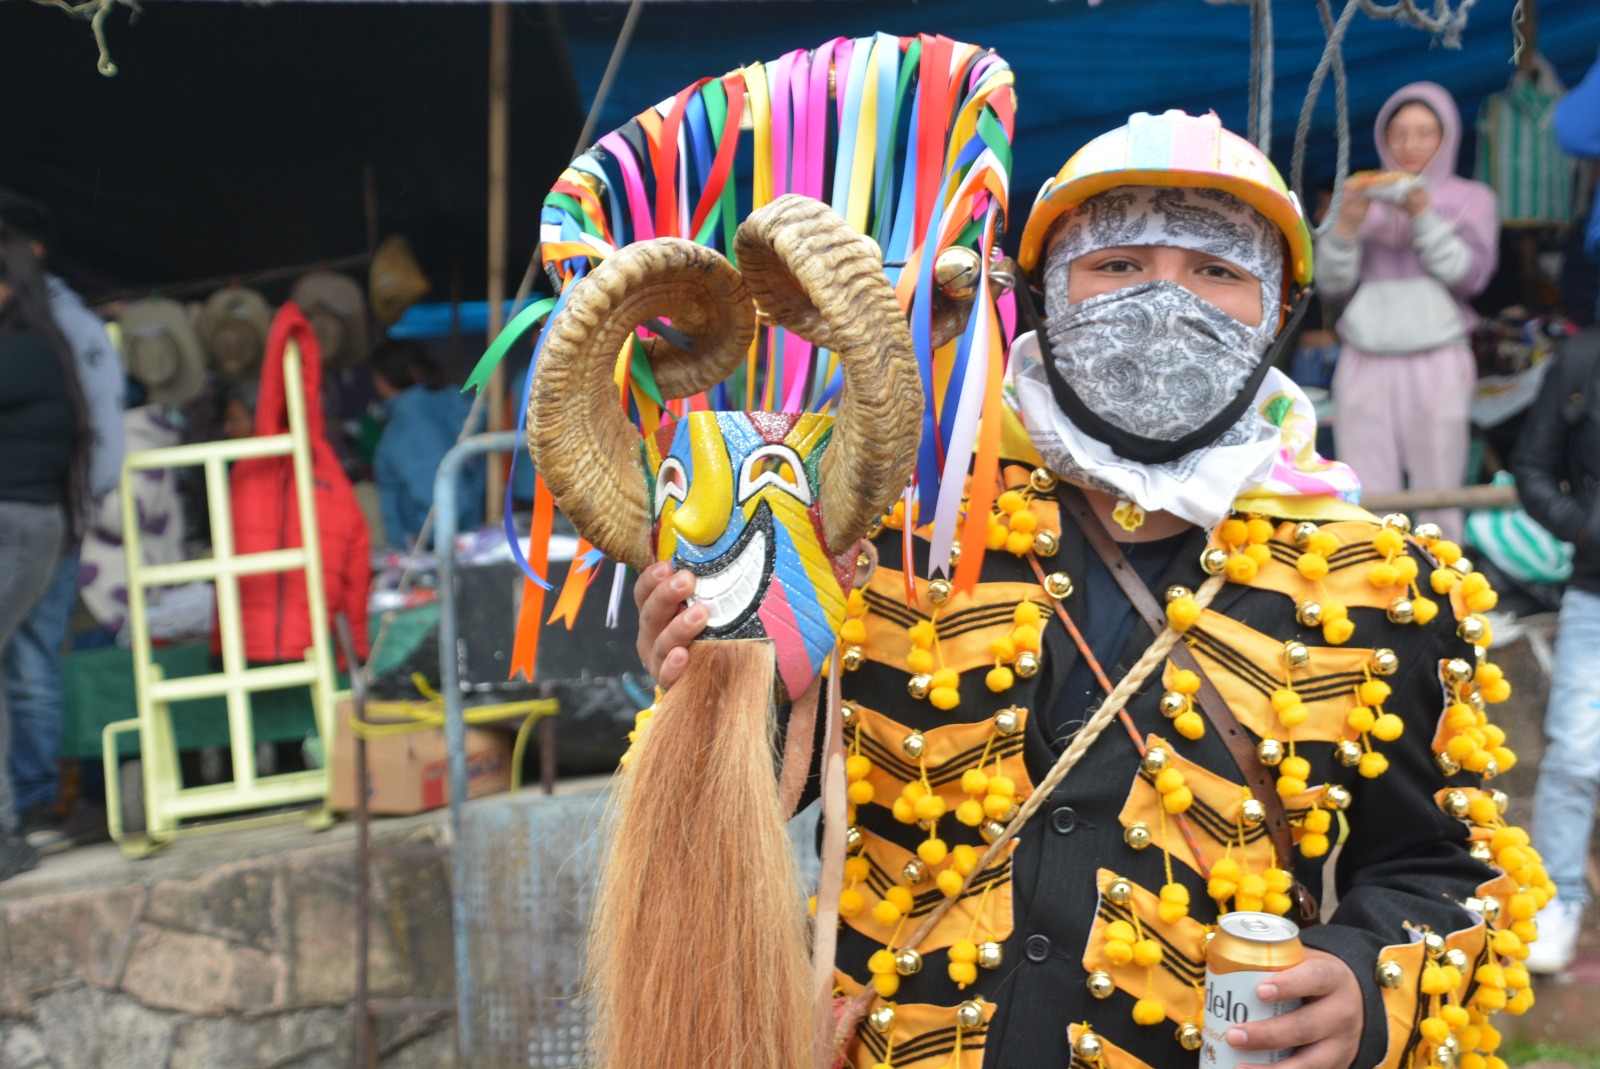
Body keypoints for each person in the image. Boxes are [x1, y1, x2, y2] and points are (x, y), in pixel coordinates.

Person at [634, 112, 1544, 1069]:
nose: (1164, 300)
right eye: (1115, 265)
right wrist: (707, 686)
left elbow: (1447, 868)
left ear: (1281, 311)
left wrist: (1367, 982)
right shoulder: (885, 523)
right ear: (1038, 297)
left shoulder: (1383, 579)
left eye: (1217, 270)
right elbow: (743, 799)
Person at [1317, 83, 1499, 543]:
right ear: (1382, 138)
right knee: (1366, 489)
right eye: (1398, 133)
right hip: (1364, 357)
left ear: (1447, 136)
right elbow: (1332, 286)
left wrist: (1423, 213)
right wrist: (1345, 227)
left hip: (1437, 356)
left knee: (1439, 484)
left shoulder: (1472, 198)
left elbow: (1470, 278)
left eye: (1424, 133)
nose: (1410, 146)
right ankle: (1372, 590)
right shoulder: (1360, 196)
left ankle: (1447, 592)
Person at [0, 193, 124, 853]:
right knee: (24, 662)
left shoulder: (62, 328)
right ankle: (25, 807)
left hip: (46, 516)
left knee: (29, 663)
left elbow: (101, 430)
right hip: (45, 514)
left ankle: (36, 806)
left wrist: (82, 504)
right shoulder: (47, 326)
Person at [1509, 322, 1600, 973]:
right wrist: (1585, 528)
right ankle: (1558, 897)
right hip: (1595, 591)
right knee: (1574, 749)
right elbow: (1532, 467)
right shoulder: (1581, 360)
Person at [0, 226, 91, 880]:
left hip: (16, 527)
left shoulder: (22, 354)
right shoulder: (39, 349)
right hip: (27, 526)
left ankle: (11, 825)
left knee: (26, 672)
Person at [369, 339, 483, 550]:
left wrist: (423, 552)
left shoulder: (411, 426)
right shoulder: (452, 406)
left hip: (434, 555)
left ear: (381, 379)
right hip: (467, 539)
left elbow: (446, 501)